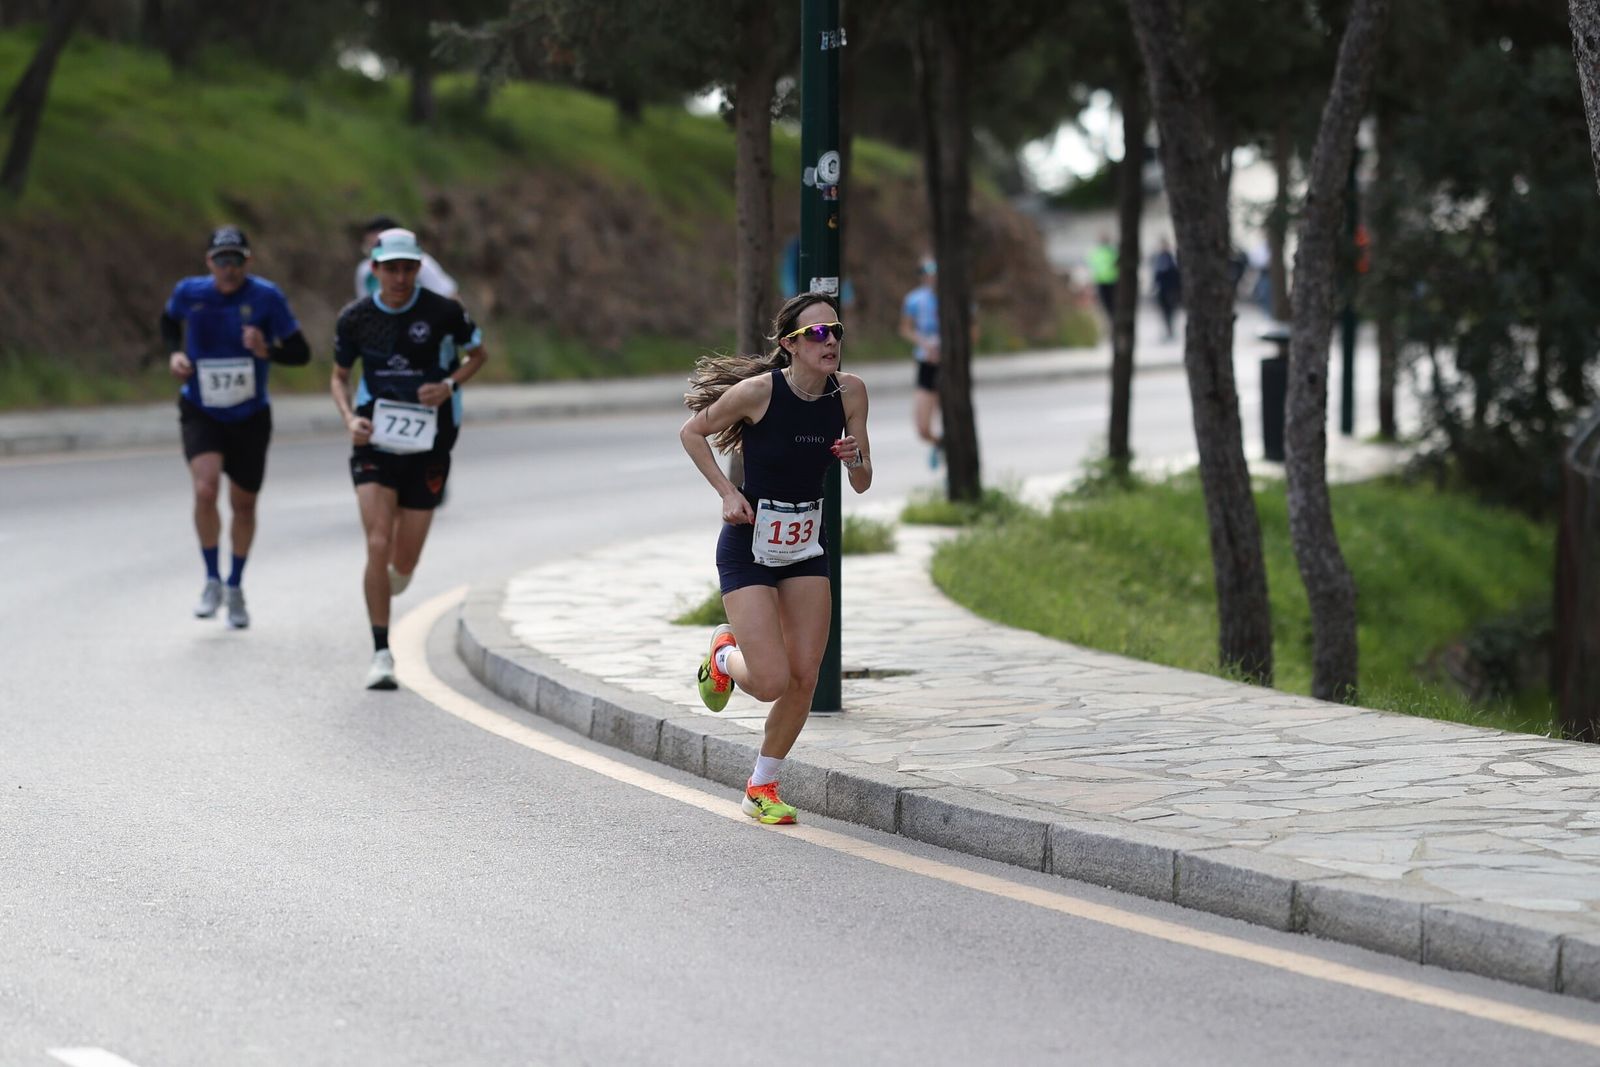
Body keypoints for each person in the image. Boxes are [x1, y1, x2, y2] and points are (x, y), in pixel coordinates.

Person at [679, 292, 872, 825]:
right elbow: (692, 433)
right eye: (816, 333)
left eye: (835, 330)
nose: (830, 340)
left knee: (804, 676)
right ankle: (723, 656)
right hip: (749, 543)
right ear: (790, 345)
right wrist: (726, 492)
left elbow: (862, 481)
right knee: (768, 681)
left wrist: (855, 458)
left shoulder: (850, 393)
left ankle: (761, 784)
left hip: (806, 543)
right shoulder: (759, 393)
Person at [330, 228, 488, 690]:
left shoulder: (442, 312)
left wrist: (449, 385)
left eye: (408, 268)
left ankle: (393, 578)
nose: (399, 276)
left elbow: (479, 352)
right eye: (391, 268)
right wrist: (348, 419)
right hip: (374, 440)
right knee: (377, 543)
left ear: (418, 268)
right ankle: (381, 652)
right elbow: (339, 377)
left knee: (404, 562)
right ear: (375, 268)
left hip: (430, 445)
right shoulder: (355, 318)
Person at [163, 226, 311, 629]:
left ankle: (235, 585)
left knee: (243, 505)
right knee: (205, 488)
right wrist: (175, 354)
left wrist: (268, 350)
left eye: (236, 260)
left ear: (248, 262)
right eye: (221, 260)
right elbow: (167, 322)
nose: (228, 269)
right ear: (209, 262)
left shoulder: (267, 297)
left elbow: (301, 352)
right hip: (202, 407)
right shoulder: (190, 293)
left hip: (249, 415)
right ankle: (211, 578)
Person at [899, 256, 942, 467]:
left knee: (952, 420)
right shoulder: (915, 299)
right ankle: (940, 445)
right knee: (922, 428)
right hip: (926, 364)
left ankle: (955, 471)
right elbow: (905, 328)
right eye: (926, 274)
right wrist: (924, 344)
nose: (930, 278)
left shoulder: (955, 299)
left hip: (948, 367)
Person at [353, 215, 458, 301]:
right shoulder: (364, 270)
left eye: (377, 247)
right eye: (369, 248)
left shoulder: (423, 263)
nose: (400, 279)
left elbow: (449, 295)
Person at [1152, 238, 1182, 342]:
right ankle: (1168, 330)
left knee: (1170, 312)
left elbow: (1176, 275)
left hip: (1170, 289)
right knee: (1165, 312)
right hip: (1162, 290)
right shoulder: (1158, 259)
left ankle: (1171, 331)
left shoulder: (1171, 258)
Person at [1087, 232, 1119, 324]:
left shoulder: (1112, 251)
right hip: (1102, 282)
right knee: (1107, 305)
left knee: (1112, 305)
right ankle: (1112, 322)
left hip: (1112, 281)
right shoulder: (1097, 252)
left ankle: (1113, 322)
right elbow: (1092, 266)